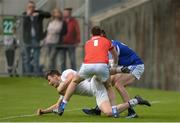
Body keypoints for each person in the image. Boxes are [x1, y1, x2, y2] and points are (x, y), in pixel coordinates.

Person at [57, 26, 119, 117]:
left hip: (87, 65)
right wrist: (115, 65)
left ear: (91, 34)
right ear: (101, 34)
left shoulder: (87, 43)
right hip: (101, 65)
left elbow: (92, 54)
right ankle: (114, 110)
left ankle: (63, 104)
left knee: (74, 81)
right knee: (109, 87)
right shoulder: (107, 41)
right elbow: (115, 55)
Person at [82, 30, 145, 118]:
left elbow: (110, 66)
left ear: (102, 36)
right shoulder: (107, 45)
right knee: (106, 82)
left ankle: (132, 111)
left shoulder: (110, 46)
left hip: (135, 65)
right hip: (124, 66)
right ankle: (98, 109)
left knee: (118, 84)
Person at [37, 69, 151, 117]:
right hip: (98, 91)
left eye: (49, 80)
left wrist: (60, 87)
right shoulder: (64, 91)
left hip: (94, 82)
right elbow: (58, 106)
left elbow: (73, 78)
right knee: (109, 113)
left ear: (56, 76)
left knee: (101, 72)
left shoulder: (65, 74)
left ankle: (120, 69)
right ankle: (136, 100)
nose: (49, 83)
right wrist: (43, 111)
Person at [22, 0, 51, 75]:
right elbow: (23, 25)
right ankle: (28, 74)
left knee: (36, 58)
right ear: (27, 8)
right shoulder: (24, 15)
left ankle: (36, 74)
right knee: (27, 58)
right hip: (27, 39)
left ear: (34, 7)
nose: (31, 8)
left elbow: (48, 15)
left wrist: (38, 13)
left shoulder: (38, 14)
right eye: (29, 7)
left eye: (32, 7)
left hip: (36, 39)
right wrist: (27, 16)